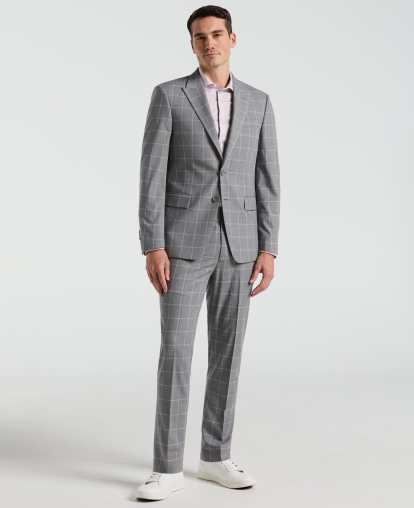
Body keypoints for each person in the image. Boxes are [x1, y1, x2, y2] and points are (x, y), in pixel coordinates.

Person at [136, 5, 280, 501]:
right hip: (182, 246)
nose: (209, 43)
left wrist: (269, 247)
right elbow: (151, 176)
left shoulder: (259, 102)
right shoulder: (169, 96)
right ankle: (167, 467)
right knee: (176, 352)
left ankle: (216, 456)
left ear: (233, 39)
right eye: (200, 37)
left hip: (240, 246)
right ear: (192, 44)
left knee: (228, 352)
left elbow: (268, 180)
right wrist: (153, 243)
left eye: (217, 34)